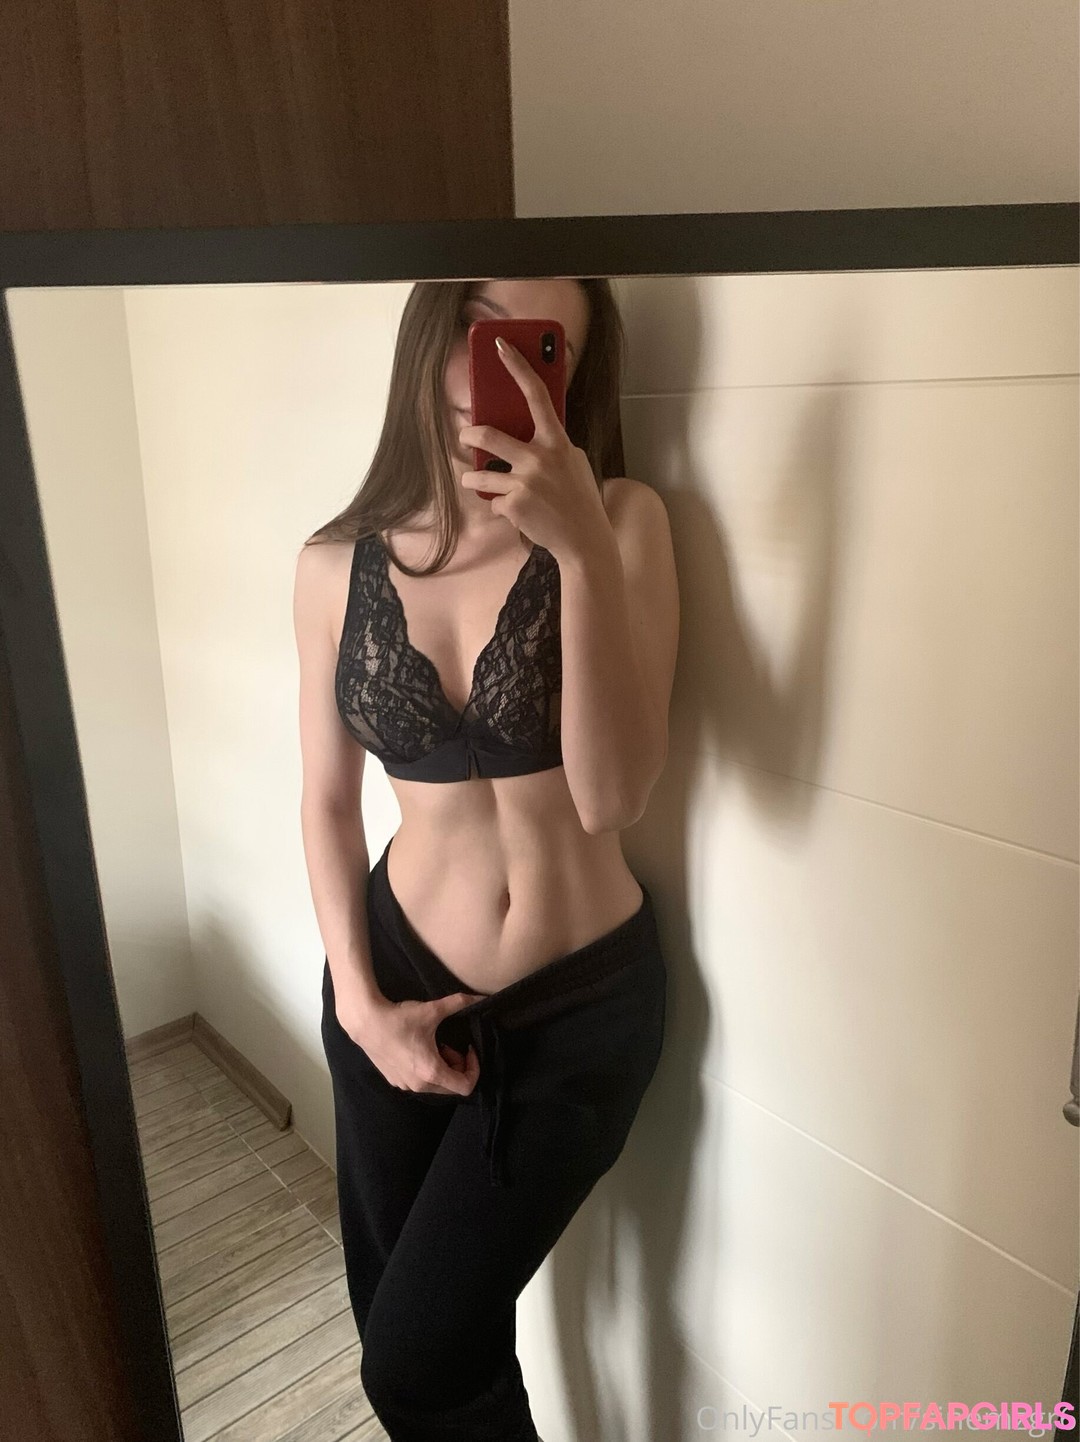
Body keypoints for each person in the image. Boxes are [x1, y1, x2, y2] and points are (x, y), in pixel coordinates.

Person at [293, 276, 680, 1441]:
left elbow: (613, 795)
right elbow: (326, 802)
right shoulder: (332, 563)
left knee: (416, 1363)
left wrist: (579, 549)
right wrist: (360, 1005)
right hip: (391, 983)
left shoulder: (624, 521)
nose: (497, 367)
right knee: (415, 1339)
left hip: (576, 1016)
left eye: (538, 343)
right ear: (433, 327)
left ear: (573, 372)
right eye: (480, 324)